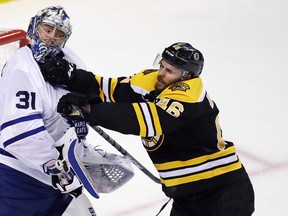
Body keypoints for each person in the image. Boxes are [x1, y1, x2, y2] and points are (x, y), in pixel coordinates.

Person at [40, 42, 255, 216]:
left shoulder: (189, 96)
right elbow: (112, 89)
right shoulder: (156, 81)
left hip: (223, 193)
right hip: (187, 196)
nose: (161, 73)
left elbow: (139, 119)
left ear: (186, 77)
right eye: (162, 65)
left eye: (169, 71)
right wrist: (71, 77)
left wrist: (88, 109)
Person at [0, 6, 97, 215]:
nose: (52, 38)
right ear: (35, 28)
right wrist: (55, 167)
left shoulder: (70, 60)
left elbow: (80, 105)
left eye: (59, 33)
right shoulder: (21, 70)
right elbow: (21, 135)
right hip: (17, 177)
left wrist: (81, 150)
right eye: (47, 29)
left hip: (55, 177)